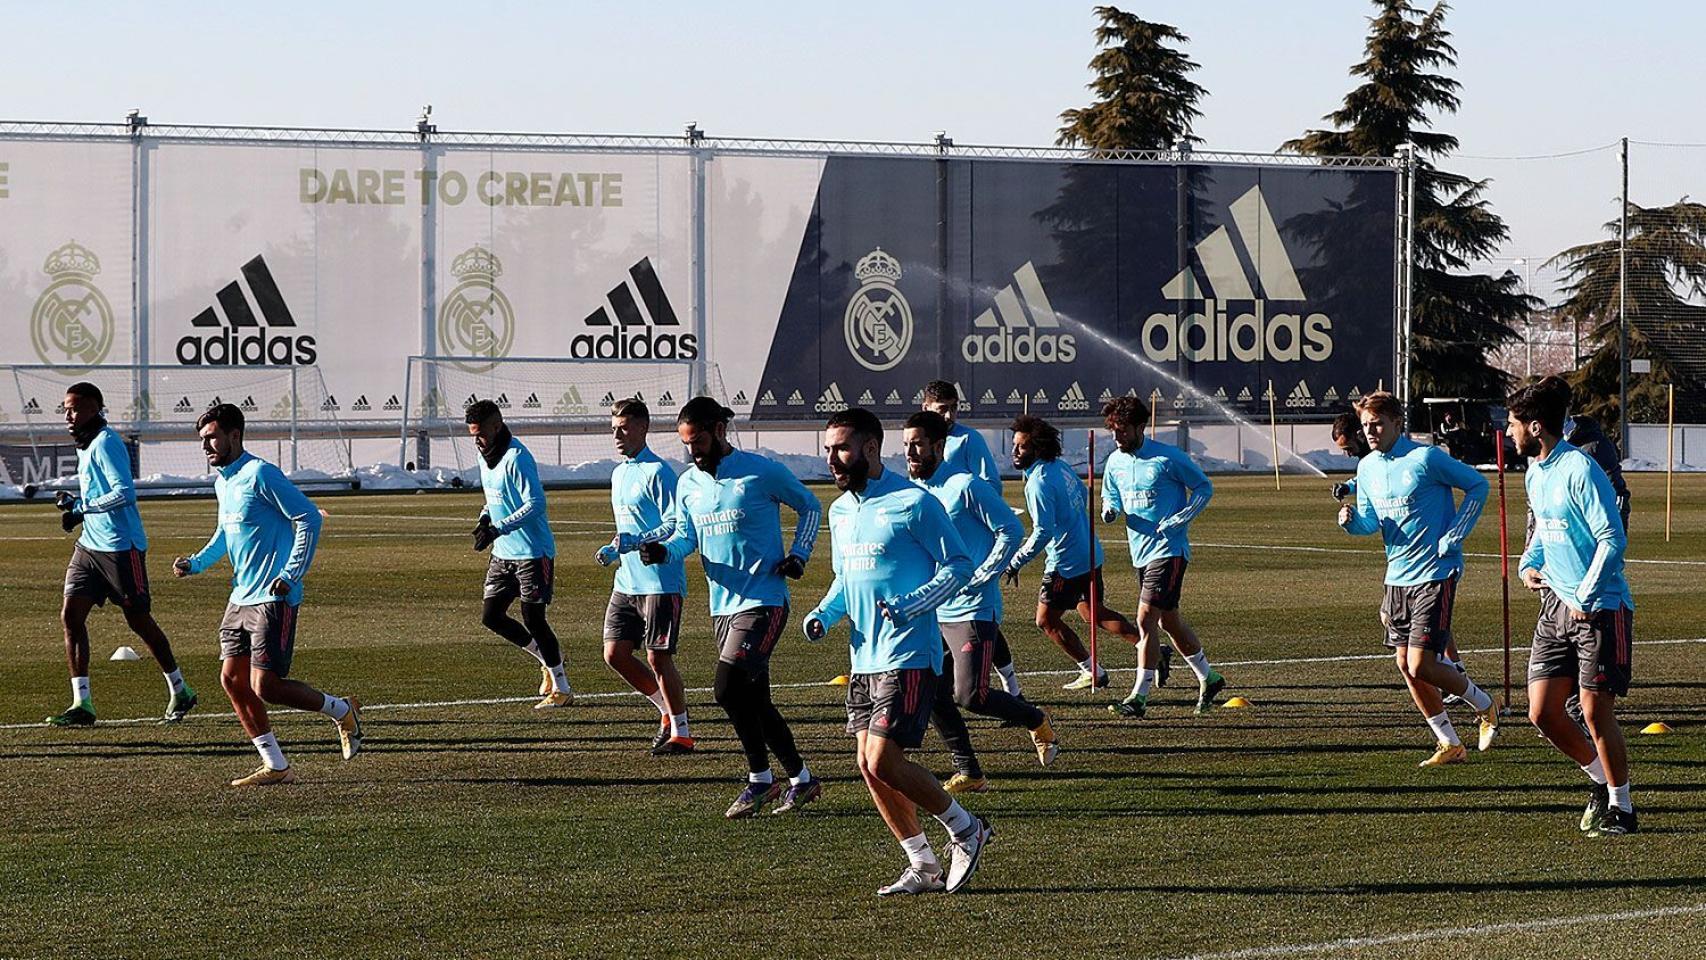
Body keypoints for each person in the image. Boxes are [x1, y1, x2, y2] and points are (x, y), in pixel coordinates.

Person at [804, 407, 992, 896]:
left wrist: (913, 604)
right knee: (868, 766)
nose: (832, 459)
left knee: (885, 760)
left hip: (909, 654)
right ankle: (923, 864)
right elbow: (845, 579)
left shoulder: (914, 503)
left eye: (841, 448)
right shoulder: (840, 512)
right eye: (828, 450)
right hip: (862, 658)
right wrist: (824, 613)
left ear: (870, 448)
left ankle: (967, 828)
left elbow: (958, 565)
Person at [628, 397, 823, 817]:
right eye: (686, 444)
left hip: (764, 600)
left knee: (726, 688)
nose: (693, 451)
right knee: (755, 700)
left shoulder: (761, 471)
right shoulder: (688, 485)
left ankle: (760, 780)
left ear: (719, 430)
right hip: (722, 607)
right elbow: (686, 538)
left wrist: (799, 554)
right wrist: (663, 552)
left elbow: (810, 506)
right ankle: (801, 779)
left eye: (698, 441)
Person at [172, 404, 361, 786]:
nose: (205, 446)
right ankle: (276, 765)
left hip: (273, 597)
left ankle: (342, 710)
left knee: (266, 686)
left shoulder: (261, 473)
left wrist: (290, 575)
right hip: (240, 597)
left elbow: (308, 517)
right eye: (202, 439)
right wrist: (196, 563)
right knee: (231, 680)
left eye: (211, 437)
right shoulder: (223, 482)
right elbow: (225, 533)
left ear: (234, 435)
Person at [1337, 391, 1501, 766]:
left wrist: (1455, 534)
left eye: (1377, 424)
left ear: (1397, 423)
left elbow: (1478, 485)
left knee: (1420, 664)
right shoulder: (1368, 468)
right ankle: (1449, 743)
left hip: (1435, 571)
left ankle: (1484, 705)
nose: (1370, 431)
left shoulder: (1426, 458)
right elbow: (1370, 523)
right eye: (1365, 425)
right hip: (1396, 577)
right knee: (1405, 665)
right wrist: (1351, 523)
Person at [905, 411, 1059, 792]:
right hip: (934, 609)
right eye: (906, 444)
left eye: (918, 444)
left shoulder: (966, 485)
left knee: (970, 695)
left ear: (938, 446)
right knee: (932, 692)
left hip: (973, 608)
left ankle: (1036, 719)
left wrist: (984, 575)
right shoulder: (914, 493)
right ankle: (970, 772)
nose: (910, 452)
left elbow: (1011, 529)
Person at [1510, 377, 1638, 836]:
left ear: (1535, 426)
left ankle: (1623, 809)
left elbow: (1612, 539)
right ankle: (1601, 782)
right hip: (1555, 610)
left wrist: (1584, 595)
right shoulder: (1535, 472)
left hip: (1600, 608)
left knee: (1593, 710)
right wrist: (1529, 563)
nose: (1508, 433)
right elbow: (1546, 530)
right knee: (1542, 712)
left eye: (1513, 424)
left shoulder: (1581, 469)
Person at [47, 381, 197, 727]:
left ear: (95, 409)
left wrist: (83, 508)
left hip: (120, 547)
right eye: (66, 409)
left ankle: (180, 689)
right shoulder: (86, 443)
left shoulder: (106, 442)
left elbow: (124, 493)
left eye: (75, 408)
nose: (69, 415)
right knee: (71, 616)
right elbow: (97, 492)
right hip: (90, 546)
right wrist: (76, 505)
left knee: (138, 620)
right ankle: (82, 704)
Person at [1098, 397, 1227, 717]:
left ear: (1140, 427)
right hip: (1140, 552)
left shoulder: (1168, 458)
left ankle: (1138, 698)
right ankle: (1209, 678)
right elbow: (1110, 494)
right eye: (1113, 431)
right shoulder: (1114, 461)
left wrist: (1181, 518)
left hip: (1169, 550)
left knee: (1144, 618)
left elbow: (1204, 488)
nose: (1117, 437)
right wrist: (1109, 509)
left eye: (1123, 430)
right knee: (1169, 622)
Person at [1002, 414, 1145, 691]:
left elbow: (1042, 531)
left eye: (1022, 446)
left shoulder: (1038, 482)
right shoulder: (1060, 467)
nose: (1015, 451)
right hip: (1089, 551)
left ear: (1038, 449)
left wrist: (1016, 561)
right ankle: (1150, 648)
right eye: (1014, 445)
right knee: (1093, 613)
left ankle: (1093, 672)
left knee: (1046, 620)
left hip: (1065, 562)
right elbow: (1081, 492)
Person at [595, 398, 693, 754]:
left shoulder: (659, 472)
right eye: (613, 429)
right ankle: (666, 711)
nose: (617, 436)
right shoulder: (619, 473)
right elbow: (628, 526)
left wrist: (637, 540)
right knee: (614, 654)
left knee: (658, 657)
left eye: (623, 428)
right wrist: (614, 547)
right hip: (627, 581)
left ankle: (682, 733)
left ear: (643, 428)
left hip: (660, 581)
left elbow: (674, 524)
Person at [465, 400, 572, 710]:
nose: (477, 440)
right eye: (473, 434)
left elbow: (536, 504)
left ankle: (562, 688)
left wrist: (499, 528)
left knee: (534, 619)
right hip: (503, 553)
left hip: (532, 552)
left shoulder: (517, 457)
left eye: (481, 434)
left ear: (497, 427)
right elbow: (494, 497)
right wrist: (485, 519)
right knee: (491, 617)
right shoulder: (484, 456)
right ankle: (548, 658)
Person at [919, 380, 1023, 698]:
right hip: (941, 545)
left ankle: (1009, 690)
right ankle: (1005, 689)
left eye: (954, 408)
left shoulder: (968, 439)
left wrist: (968, 510)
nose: (949, 416)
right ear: (925, 408)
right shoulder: (920, 444)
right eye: (942, 409)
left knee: (977, 615)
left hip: (970, 540)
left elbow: (991, 485)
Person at [1563, 413, 1631, 531]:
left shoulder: (1596, 445)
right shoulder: (1545, 446)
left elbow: (1615, 490)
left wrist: (1614, 530)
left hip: (1592, 524)